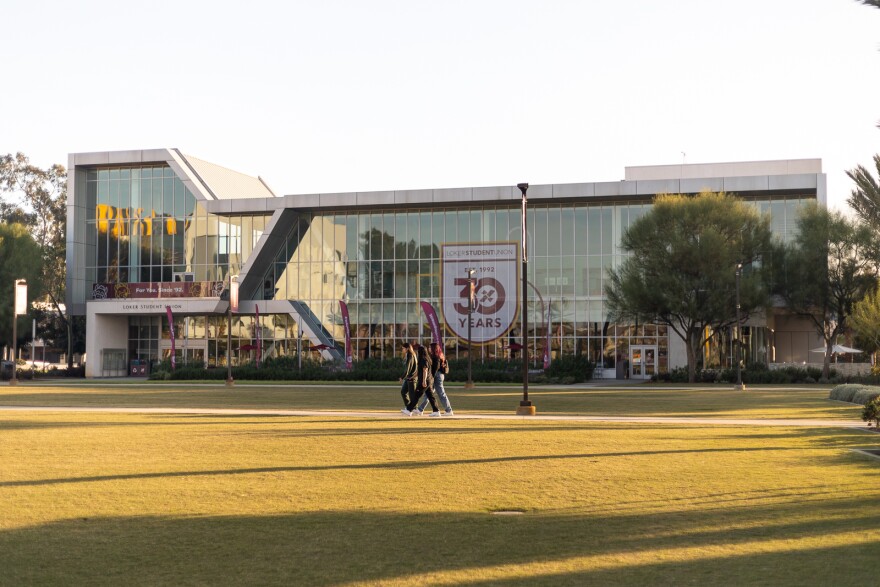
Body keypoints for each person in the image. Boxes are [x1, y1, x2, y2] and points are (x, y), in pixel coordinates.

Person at [414, 342, 453, 416]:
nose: (428, 349)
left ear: (433, 348)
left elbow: (435, 369)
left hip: (436, 376)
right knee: (429, 393)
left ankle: (449, 410)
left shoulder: (436, 357)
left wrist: (431, 378)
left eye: (429, 347)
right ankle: (420, 409)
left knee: (441, 393)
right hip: (436, 376)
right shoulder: (438, 355)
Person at [402, 345, 440, 417]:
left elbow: (425, 370)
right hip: (429, 380)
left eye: (418, 351)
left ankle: (409, 410)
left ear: (420, 351)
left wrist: (424, 381)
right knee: (431, 396)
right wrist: (412, 377)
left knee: (416, 395)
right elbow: (418, 371)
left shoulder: (423, 359)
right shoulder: (426, 359)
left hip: (425, 381)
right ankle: (436, 411)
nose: (417, 352)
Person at [398, 343, 417, 407]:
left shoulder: (410, 355)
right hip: (408, 377)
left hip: (411, 377)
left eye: (403, 348)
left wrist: (402, 377)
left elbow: (408, 369)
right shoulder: (410, 355)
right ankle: (409, 407)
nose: (402, 350)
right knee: (403, 392)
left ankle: (415, 408)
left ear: (407, 349)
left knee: (412, 395)